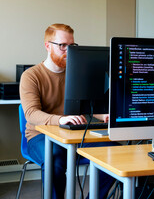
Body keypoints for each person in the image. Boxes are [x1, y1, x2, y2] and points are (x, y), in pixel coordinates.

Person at [19, 23, 116, 199]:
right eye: (62, 45)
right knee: (54, 162)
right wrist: (61, 119)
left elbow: (85, 107)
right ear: (48, 46)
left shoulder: (79, 73)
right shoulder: (31, 75)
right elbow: (31, 114)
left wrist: (102, 116)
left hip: (76, 134)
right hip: (41, 136)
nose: (68, 50)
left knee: (114, 154)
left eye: (71, 46)